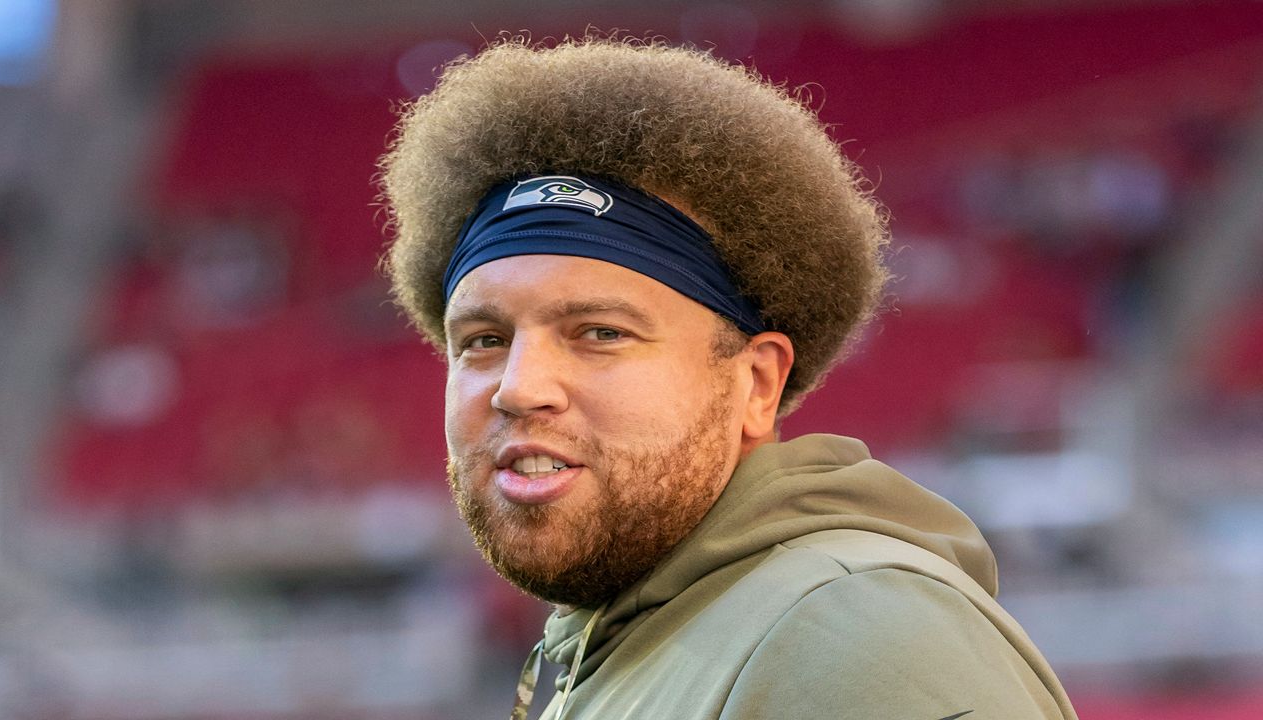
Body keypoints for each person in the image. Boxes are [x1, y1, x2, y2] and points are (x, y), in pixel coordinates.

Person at [380, 37, 1079, 720]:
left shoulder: (858, 634)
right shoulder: (626, 641)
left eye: (601, 333)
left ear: (758, 383)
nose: (517, 386)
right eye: (483, 340)